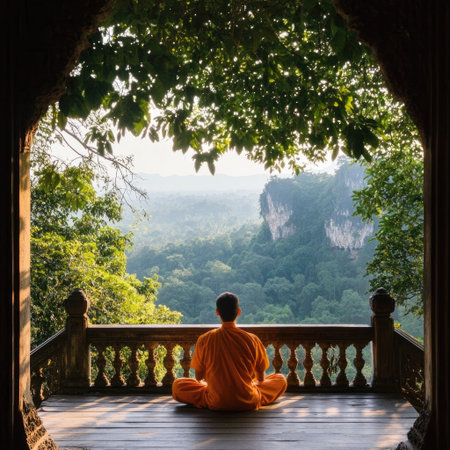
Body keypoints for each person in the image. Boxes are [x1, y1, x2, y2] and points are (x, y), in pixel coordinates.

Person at [172, 292, 287, 410]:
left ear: (217, 312)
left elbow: (199, 376)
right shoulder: (252, 340)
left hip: (215, 400)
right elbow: (261, 378)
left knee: (178, 386)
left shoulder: (205, 339)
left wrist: (216, 384)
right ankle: (243, 392)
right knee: (280, 380)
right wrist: (243, 383)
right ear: (239, 312)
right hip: (248, 400)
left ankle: (220, 392)